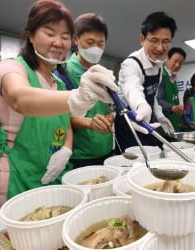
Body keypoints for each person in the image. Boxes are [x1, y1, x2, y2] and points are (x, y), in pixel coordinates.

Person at [0, 0, 118, 212]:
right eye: (50, 33)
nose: (58, 42)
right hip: (15, 173)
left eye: (65, 37)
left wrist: (66, 149)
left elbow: (65, 120)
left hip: (49, 171)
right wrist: (77, 97)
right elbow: (20, 99)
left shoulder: (57, 82)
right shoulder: (12, 67)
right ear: (30, 35)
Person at [54, 13, 114, 167]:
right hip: (81, 154)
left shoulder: (101, 72)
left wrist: (110, 117)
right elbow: (60, 115)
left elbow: (106, 107)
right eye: (90, 42)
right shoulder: (63, 73)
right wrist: (89, 123)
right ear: (76, 39)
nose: (96, 48)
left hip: (106, 148)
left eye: (101, 43)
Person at [115, 11, 177, 151]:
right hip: (128, 122)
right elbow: (133, 89)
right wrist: (142, 106)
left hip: (147, 119)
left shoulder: (159, 65)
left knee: (156, 153)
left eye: (165, 42)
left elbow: (153, 96)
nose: (160, 48)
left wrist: (160, 116)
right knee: (133, 163)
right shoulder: (131, 64)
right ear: (142, 39)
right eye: (154, 40)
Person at [156, 47, 186, 133]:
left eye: (180, 63)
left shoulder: (173, 78)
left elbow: (173, 99)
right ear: (167, 59)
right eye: (175, 61)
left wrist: (178, 108)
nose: (177, 65)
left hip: (173, 125)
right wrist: (171, 107)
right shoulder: (161, 76)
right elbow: (157, 99)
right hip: (162, 126)